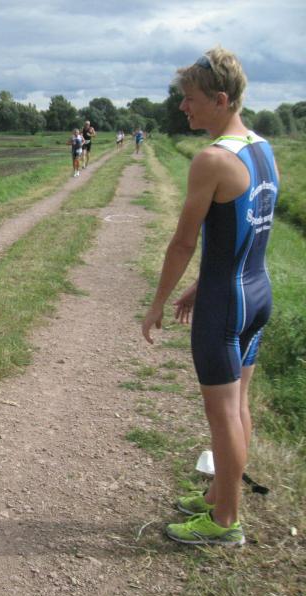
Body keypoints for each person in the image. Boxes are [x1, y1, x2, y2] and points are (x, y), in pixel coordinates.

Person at [141, 47, 279, 546]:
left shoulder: (212, 160)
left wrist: (157, 302)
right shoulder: (261, 148)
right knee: (238, 406)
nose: (183, 107)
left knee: (222, 416)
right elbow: (250, 231)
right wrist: (205, 283)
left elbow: (183, 242)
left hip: (226, 306)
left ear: (221, 100)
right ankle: (221, 496)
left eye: (191, 99)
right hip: (255, 292)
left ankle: (225, 523)